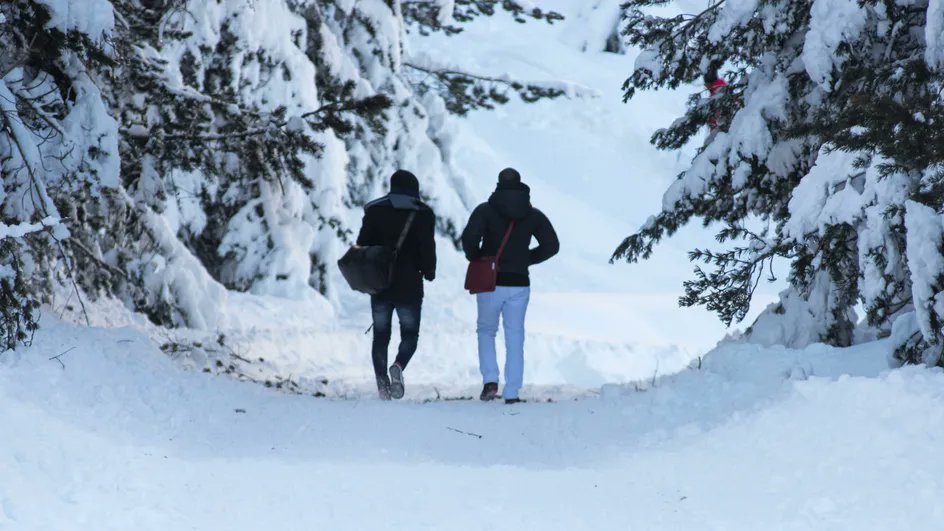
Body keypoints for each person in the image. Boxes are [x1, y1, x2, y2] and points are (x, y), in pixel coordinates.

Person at [461, 168, 559, 404]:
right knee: (515, 335)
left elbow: (468, 240)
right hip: (519, 284)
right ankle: (512, 391)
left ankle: (490, 381)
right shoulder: (533, 215)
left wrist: (481, 258)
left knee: (486, 331)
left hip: (490, 282)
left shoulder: (485, 210)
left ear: (498, 185)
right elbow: (551, 245)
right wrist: (525, 259)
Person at [356, 170, 436, 400]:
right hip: (410, 286)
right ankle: (399, 366)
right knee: (410, 334)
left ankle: (382, 384)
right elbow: (427, 250)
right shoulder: (423, 214)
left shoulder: (374, 210)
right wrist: (429, 271)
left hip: (380, 283)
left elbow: (362, 244)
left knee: (381, 335)